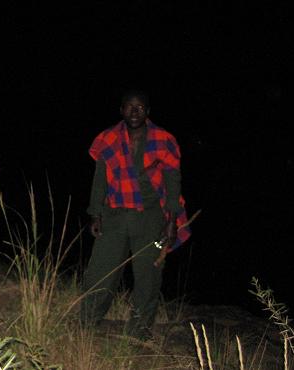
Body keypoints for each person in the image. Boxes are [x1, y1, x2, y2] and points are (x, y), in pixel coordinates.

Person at [80, 90, 191, 340]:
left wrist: (171, 222)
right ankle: (87, 322)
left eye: (139, 107)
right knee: (101, 270)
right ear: (121, 110)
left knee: (148, 274)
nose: (134, 112)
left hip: (151, 218)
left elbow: (173, 183)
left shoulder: (164, 140)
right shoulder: (107, 139)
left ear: (147, 111)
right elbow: (99, 180)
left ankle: (139, 331)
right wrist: (95, 213)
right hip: (114, 215)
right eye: (129, 107)